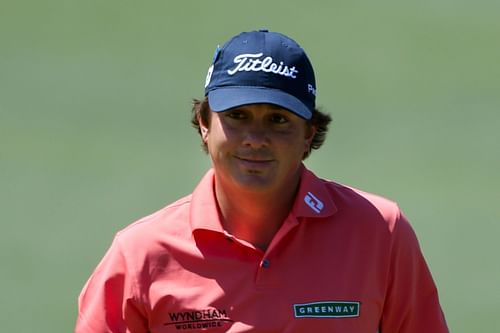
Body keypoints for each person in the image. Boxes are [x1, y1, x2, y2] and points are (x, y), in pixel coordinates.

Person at [75, 29, 449, 332]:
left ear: (309, 134)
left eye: (278, 120)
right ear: (204, 124)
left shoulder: (380, 233)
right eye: (237, 115)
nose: (255, 138)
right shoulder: (140, 255)